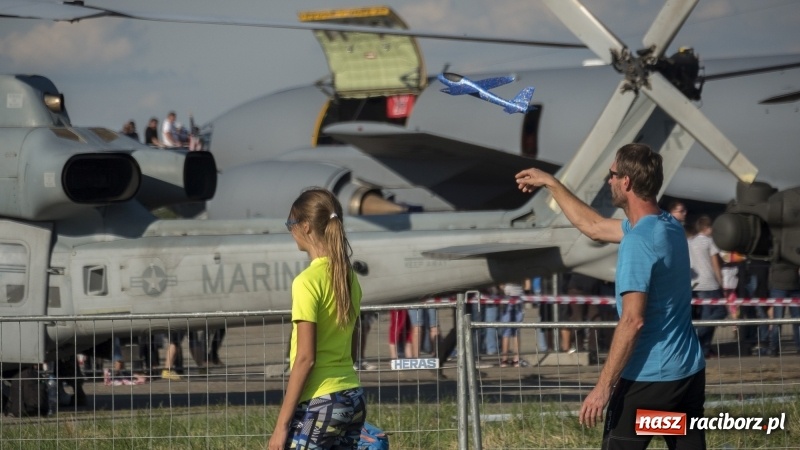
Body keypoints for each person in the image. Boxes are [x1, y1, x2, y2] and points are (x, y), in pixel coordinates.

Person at [516, 143, 705, 449]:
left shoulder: (638, 242)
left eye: (612, 174)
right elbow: (593, 226)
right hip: (686, 374)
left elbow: (632, 321)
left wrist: (603, 388)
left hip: (649, 380)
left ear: (626, 182)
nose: (609, 181)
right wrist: (551, 183)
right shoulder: (667, 226)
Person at [268, 188, 366, 450]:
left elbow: (305, 358)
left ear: (306, 227)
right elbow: (353, 348)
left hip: (320, 402)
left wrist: (281, 426)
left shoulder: (306, 282)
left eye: (291, 223)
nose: (290, 230)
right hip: (352, 396)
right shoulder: (348, 277)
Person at [689, 215, 726, 358]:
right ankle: (697, 335)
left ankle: (703, 349)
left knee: (706, 315)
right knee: (720, 312)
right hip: (709, 283)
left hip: (694, 283)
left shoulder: (689, 241)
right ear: (707, 228)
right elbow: (715, 263)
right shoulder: (710, 242)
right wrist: (721, 281)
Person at [499, 282, 526, 367]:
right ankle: (515, 359)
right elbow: (526, 283)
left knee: (508, 331)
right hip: (515, 298)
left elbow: (501, 284)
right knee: (514, 331)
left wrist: (503, 290)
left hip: (511, 298)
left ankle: (505, 360)